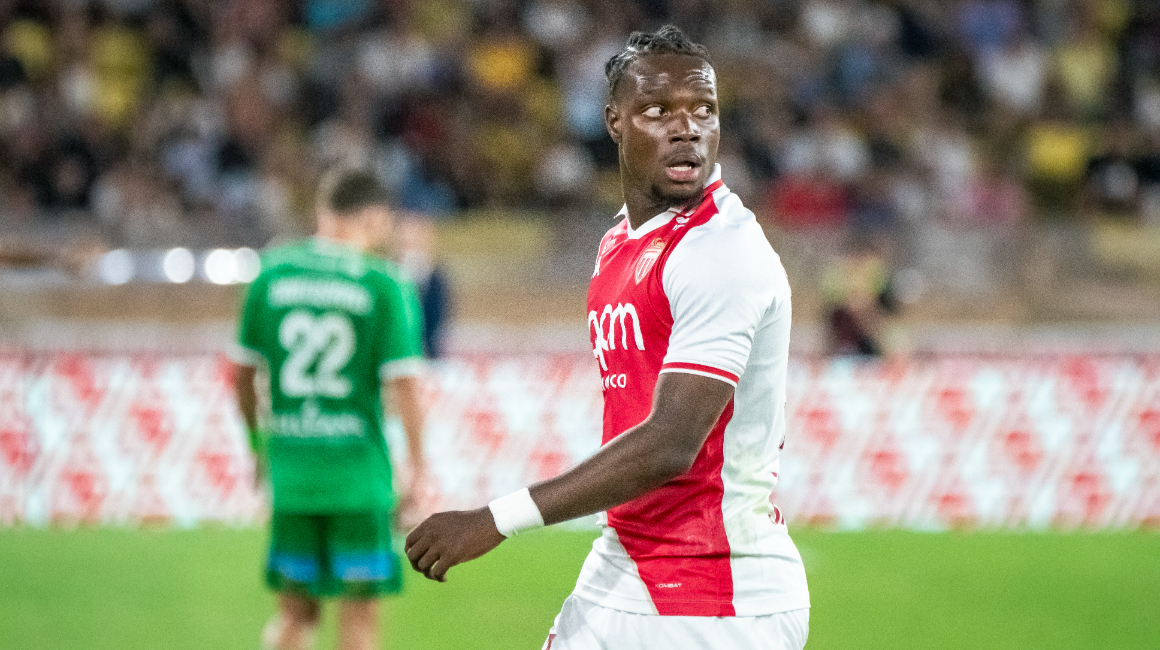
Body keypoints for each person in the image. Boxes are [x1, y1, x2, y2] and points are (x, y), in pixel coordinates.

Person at [404, 25, 810, 649]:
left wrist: (496, 519)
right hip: (628, 564)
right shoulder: (622, 239)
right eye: (657, 111)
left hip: (714, 595)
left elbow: (671, 442)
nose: (687, 128)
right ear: (613, 122)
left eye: (704, 109)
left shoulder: (722, 253)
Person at [232, 169, 427, 650]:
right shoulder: (382, 284)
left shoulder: (271, 274)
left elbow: (241, 373)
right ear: (375, 217)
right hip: (359, 481)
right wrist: (417, 466)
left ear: (322, 210)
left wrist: (258, 446)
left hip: (292, 477)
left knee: (294, 618)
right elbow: (404, 384)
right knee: (359, 624)